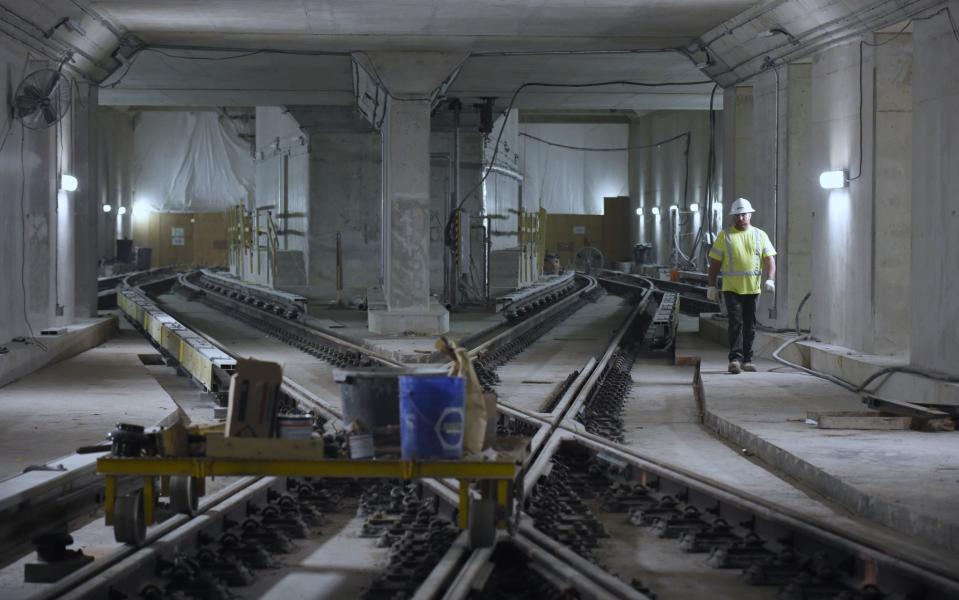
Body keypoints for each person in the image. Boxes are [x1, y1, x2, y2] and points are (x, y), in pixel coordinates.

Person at [706, 198, 776, 374]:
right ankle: (735, 360)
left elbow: (769, 260)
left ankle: (747, 359)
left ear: (750, 215)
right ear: (733, 216)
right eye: (737, 215)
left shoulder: (760, 235)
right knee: (735, 322)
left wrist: (770, 279)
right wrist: (711, 286)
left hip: (753, 289)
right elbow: (714, 263)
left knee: (750, 325)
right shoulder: (725, 235)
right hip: (731, 288)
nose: (741, 217)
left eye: (744, 214)